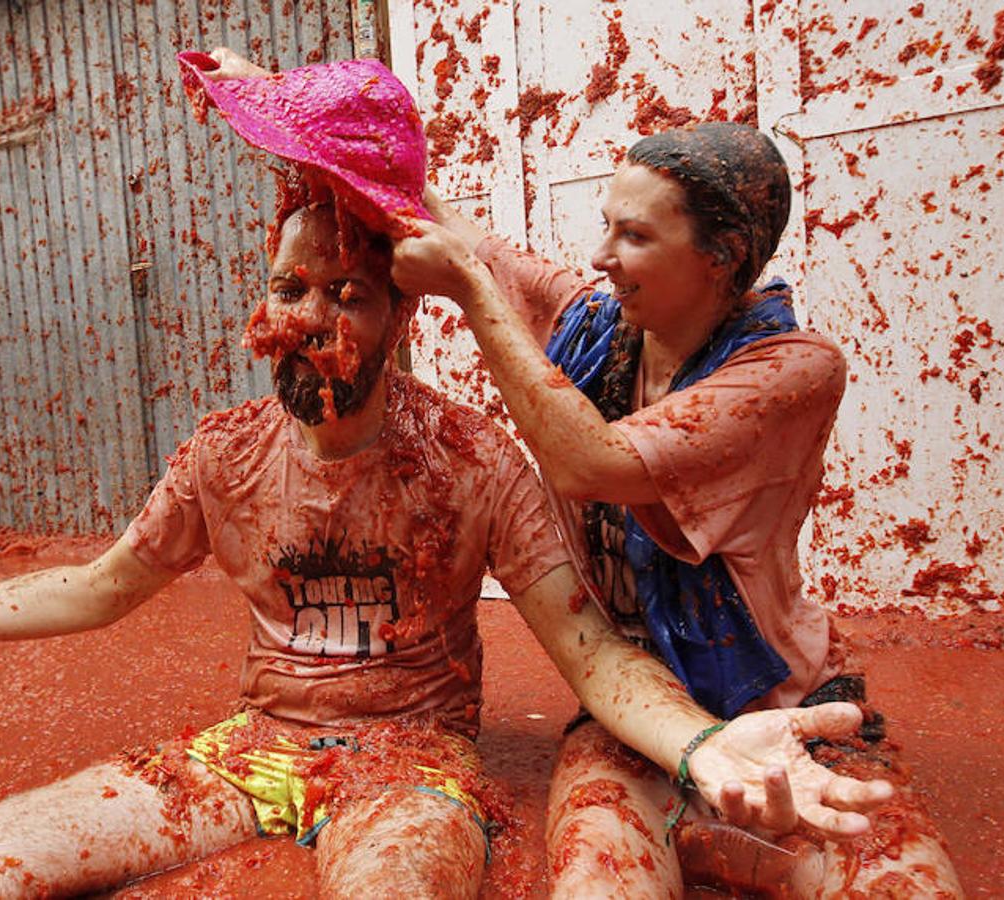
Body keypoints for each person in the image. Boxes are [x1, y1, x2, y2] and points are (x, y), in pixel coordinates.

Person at [0, 63, 891, 899]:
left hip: (413, 765)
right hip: (251, 747)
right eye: (294, 292)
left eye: (350, 296)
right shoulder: (221, 454)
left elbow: (590, 649)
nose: (314, 321)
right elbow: (98, 587)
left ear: (400, 316)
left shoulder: (475, 459)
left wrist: (696, 746)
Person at [392, 121, 964, 896]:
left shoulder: (794, 373)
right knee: (596, 879)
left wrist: (471, 294)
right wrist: (302, 108)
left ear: (721, 257)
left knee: (903, 882)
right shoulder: (596, 330)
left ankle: (732, 836)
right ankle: (704, 831)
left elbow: (589, 462)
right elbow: (456, 231)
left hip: (787, 713)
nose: (600, 257)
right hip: (642, 711)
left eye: (633, 235)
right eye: (606, 226)